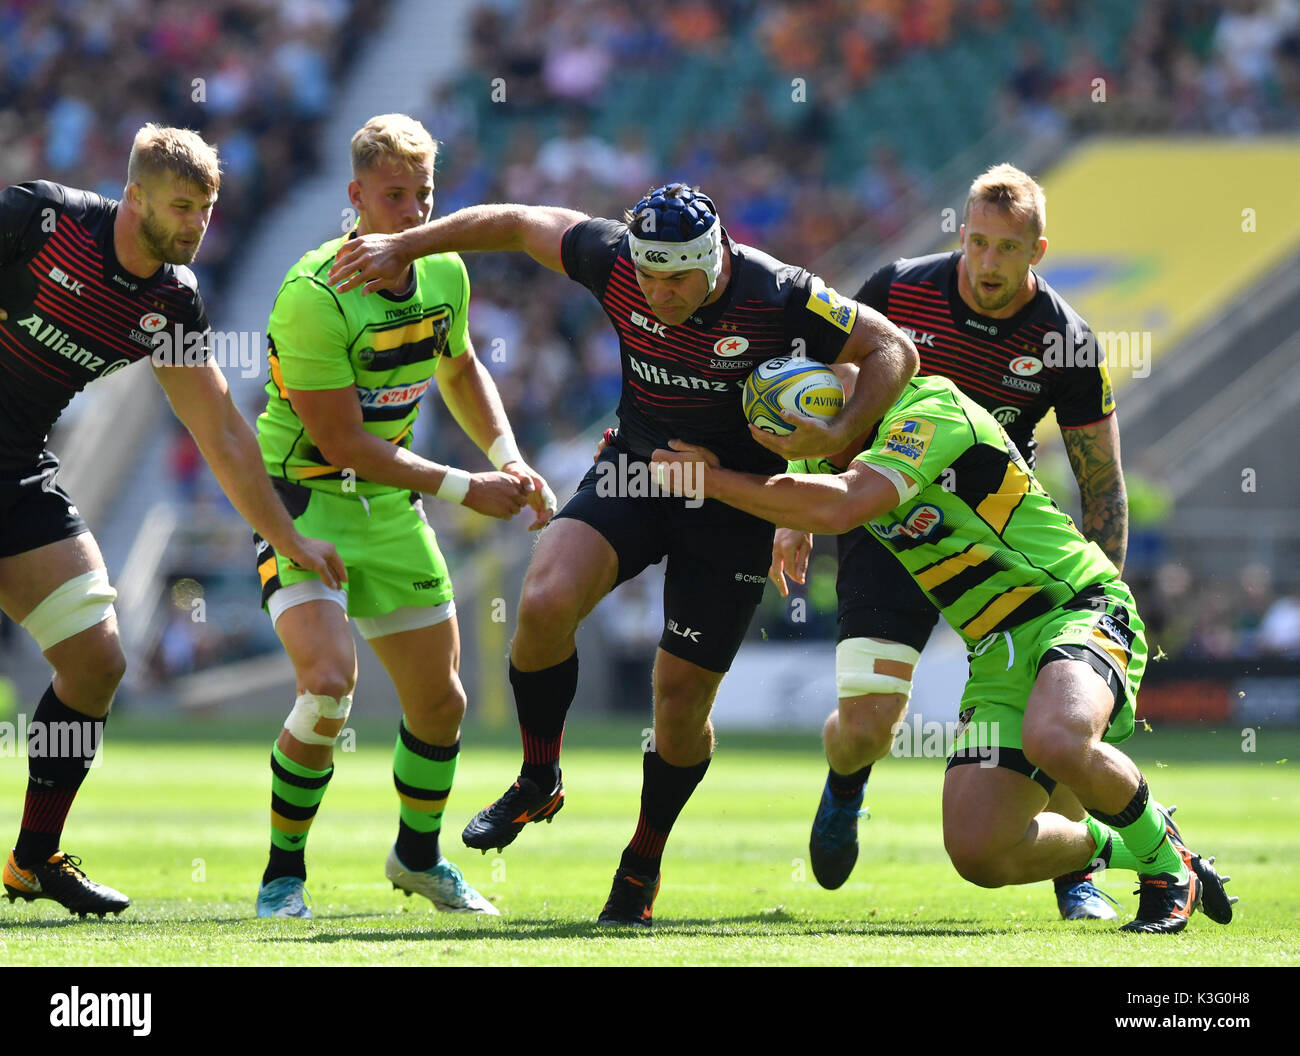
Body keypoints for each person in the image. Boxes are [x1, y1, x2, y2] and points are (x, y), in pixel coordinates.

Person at [330, 182, 918, 925]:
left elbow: (892, 345)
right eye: (648, 276)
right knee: (543, 602)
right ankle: (539, 776)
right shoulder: (611, 258)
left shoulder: (779, 292)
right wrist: (406, 243)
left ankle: (643, 860)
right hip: (637, 468)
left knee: (676, 704)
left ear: (714, 261)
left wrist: (832, 447)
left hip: (733, 502)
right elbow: (516, 222)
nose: (659, 292)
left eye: (676, 278)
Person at [650, 373, 1236, 933]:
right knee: (980, 852)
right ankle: (1134, 841)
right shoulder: (829, 435)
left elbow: (841, 503)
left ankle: (1167, 872)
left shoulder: (928, 411)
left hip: (1074, 606)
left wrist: (717, 482)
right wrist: (787, 521)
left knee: (1056, 739)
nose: (778, 454)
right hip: (994, 648)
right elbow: (810, 476)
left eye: (779, 440)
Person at [0, 124, 344, 917]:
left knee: (96, 661)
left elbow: (220, 429)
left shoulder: (171, 301)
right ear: (136, 196)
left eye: (208, 209)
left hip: (17, 469)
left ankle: (32, 859)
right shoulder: (40, 220)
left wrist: (287, 536)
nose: (196, 225)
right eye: (182, 207)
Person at [770, 163, 1129, 919]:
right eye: (976, 243)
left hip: (998, 540)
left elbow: (1102, 483)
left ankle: (1078, 876)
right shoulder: (898, 288)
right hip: (886, 516)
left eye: (1007, 248)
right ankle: (846, 786)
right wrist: (792, 508)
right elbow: (829, 392)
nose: (987, 263)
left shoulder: (1065, 338)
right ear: (959, 234)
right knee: (867, 725)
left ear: (1038, 250)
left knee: (1053, 706)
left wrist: (1094, 631)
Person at [251, 115, 554, 919]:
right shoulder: (313, 294)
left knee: (443, 704)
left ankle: (417, 859)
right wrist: (463, 488)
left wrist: (507, 456)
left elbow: (459, 367)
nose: (414, 211)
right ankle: (282, 876)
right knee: (327, 688)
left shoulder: (444, 269)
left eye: (423, 193)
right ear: (356, 197)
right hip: (304, 504)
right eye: (395, 195)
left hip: (391, 509)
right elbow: (341, 441)